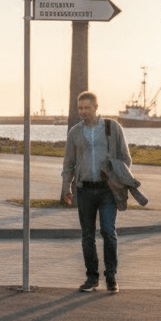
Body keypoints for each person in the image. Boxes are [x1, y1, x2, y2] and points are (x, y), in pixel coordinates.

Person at [62, 91, 132, 293]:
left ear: (96, 107)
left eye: (87, 107)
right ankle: (91, 278)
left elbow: (125, 158)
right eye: (80, 108)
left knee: (109, 232)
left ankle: (111, 276)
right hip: (84, 189)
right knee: (87, 236)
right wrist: (66, 186)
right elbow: (68, 163)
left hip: (107, 190)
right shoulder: (75, 133)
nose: (83, 111)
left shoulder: (112, 128)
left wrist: (116, 176)